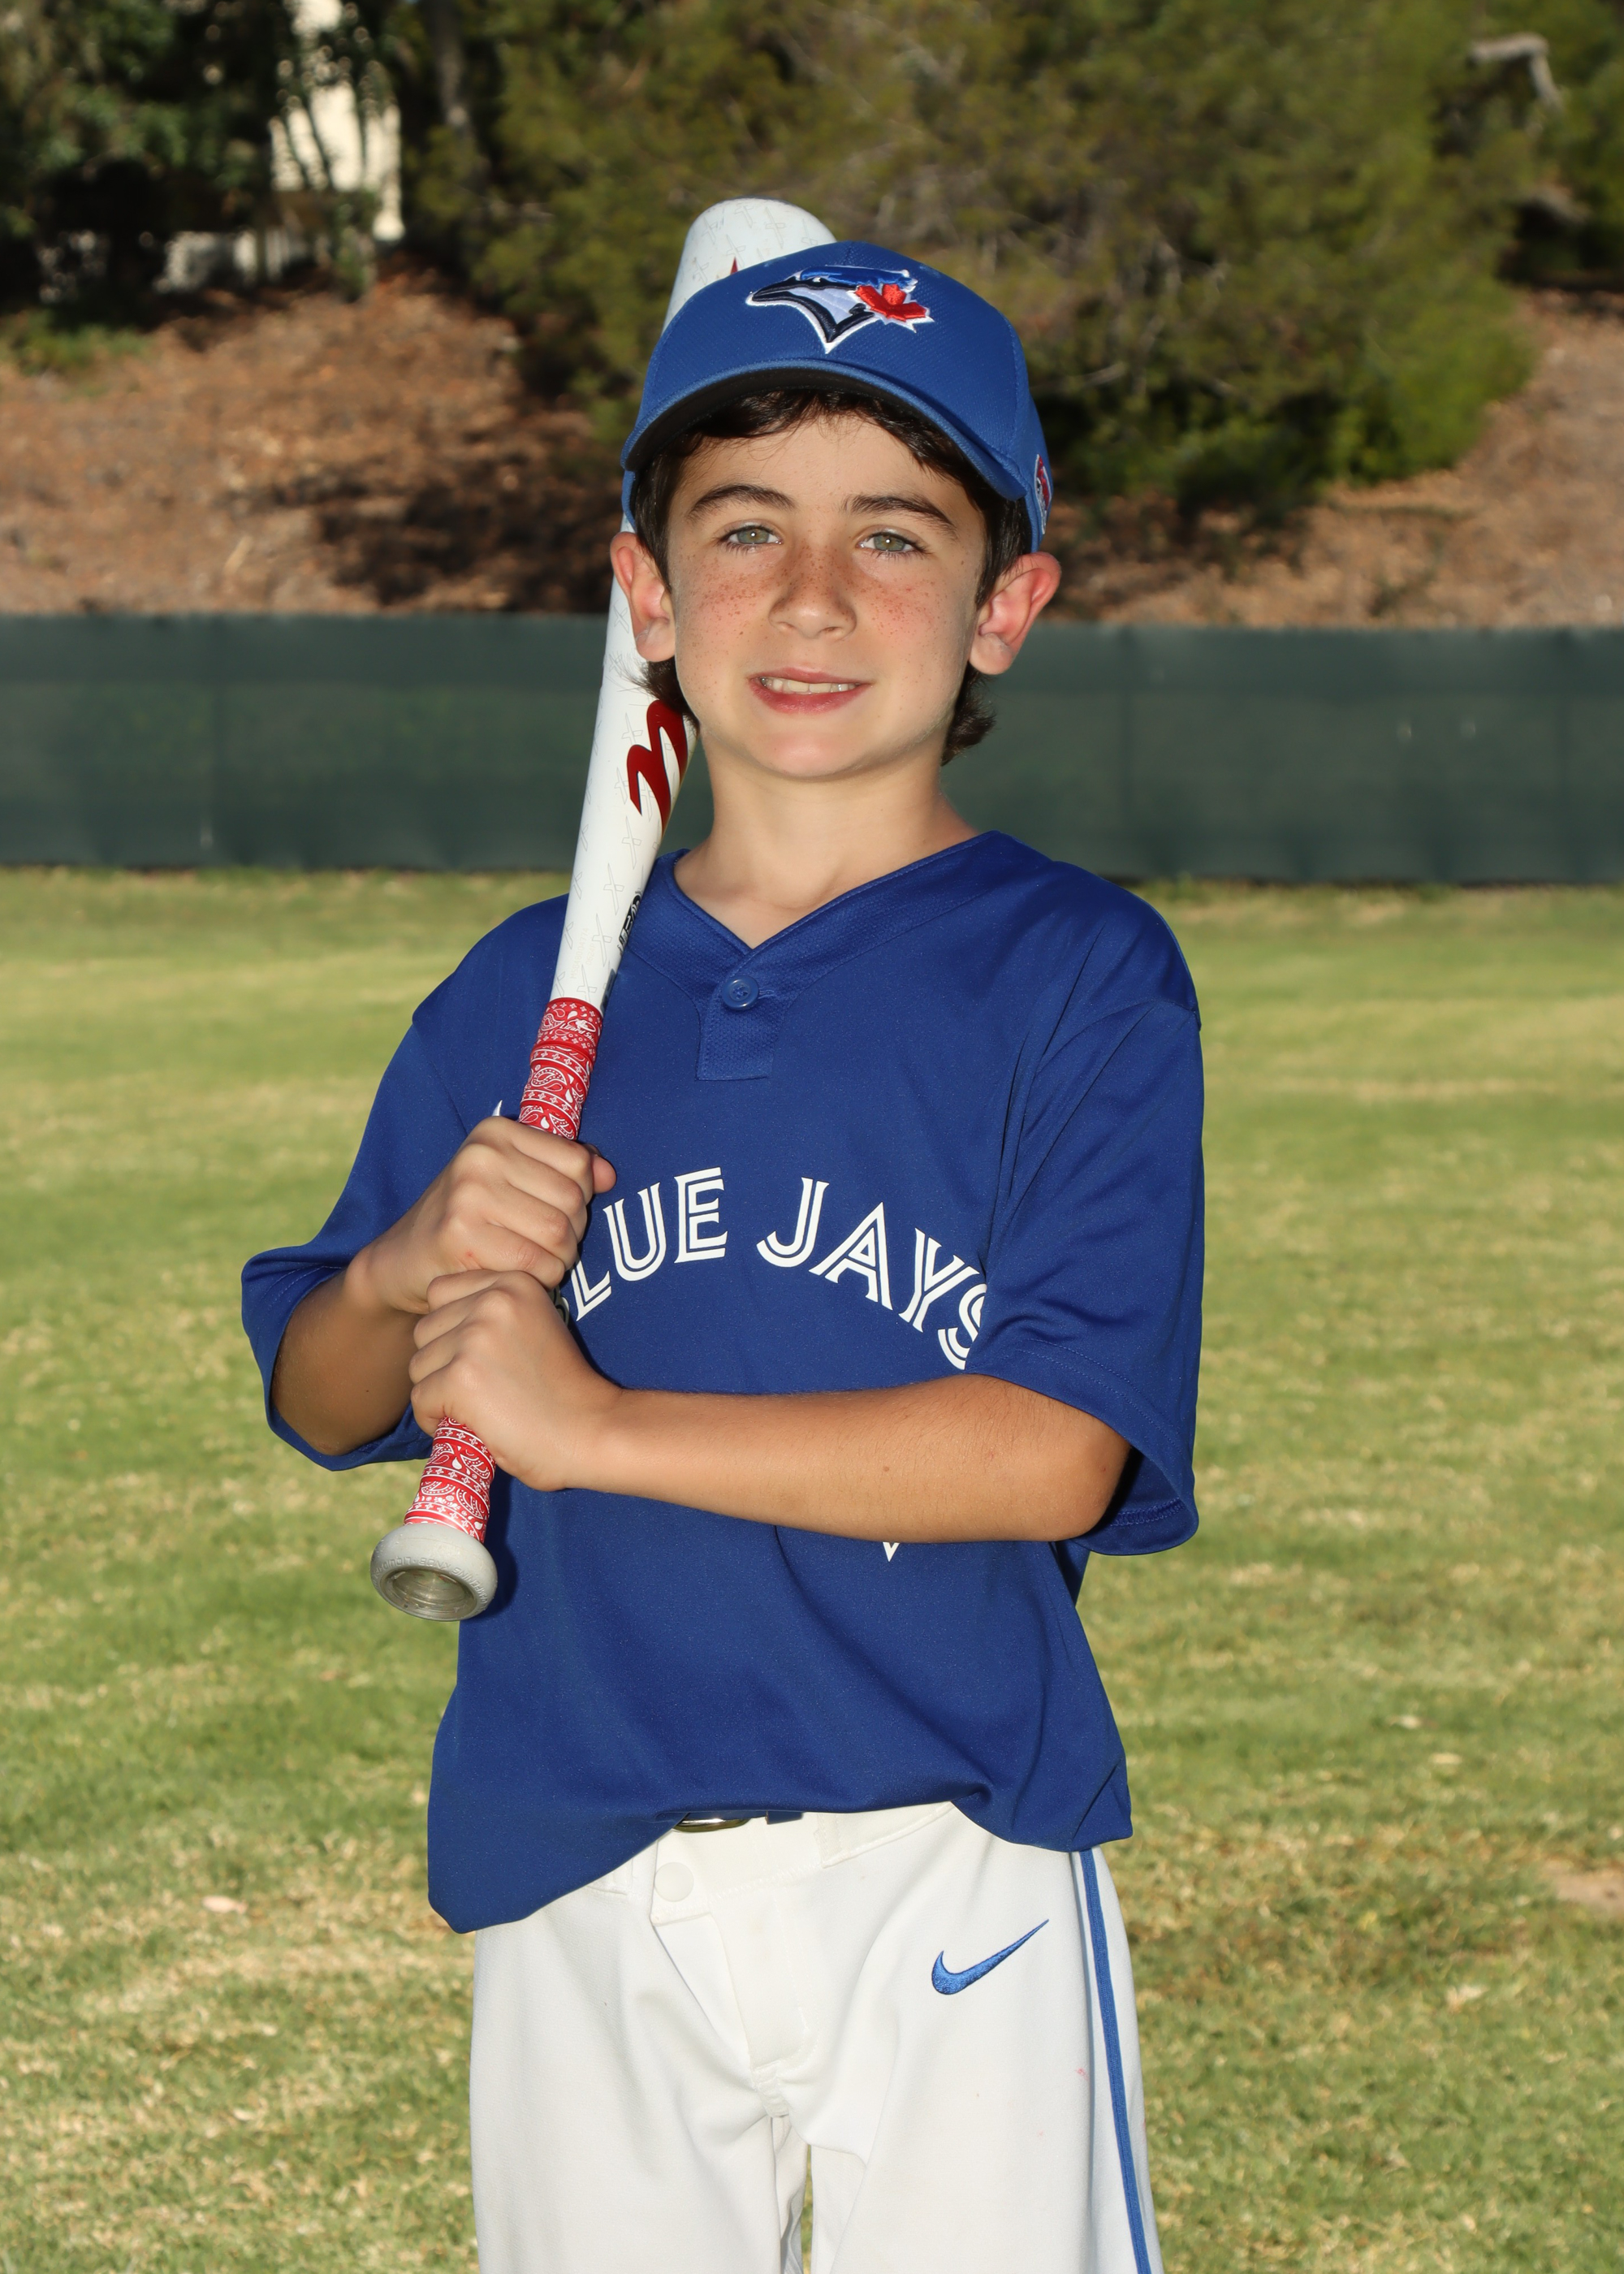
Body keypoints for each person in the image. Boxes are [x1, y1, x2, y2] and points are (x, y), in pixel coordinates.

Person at [242, 244, 1203, 2274]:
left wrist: (587, 1426)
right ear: (649, 593)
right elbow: (322, 1394)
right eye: (746, 527)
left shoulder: (1076, 972)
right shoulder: (529, 986)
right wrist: (408, 1262)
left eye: (896, 535)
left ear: (1008, 603)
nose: (815, 595)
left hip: (945, 1842)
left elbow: (1051, 1453)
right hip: (577, 1841)